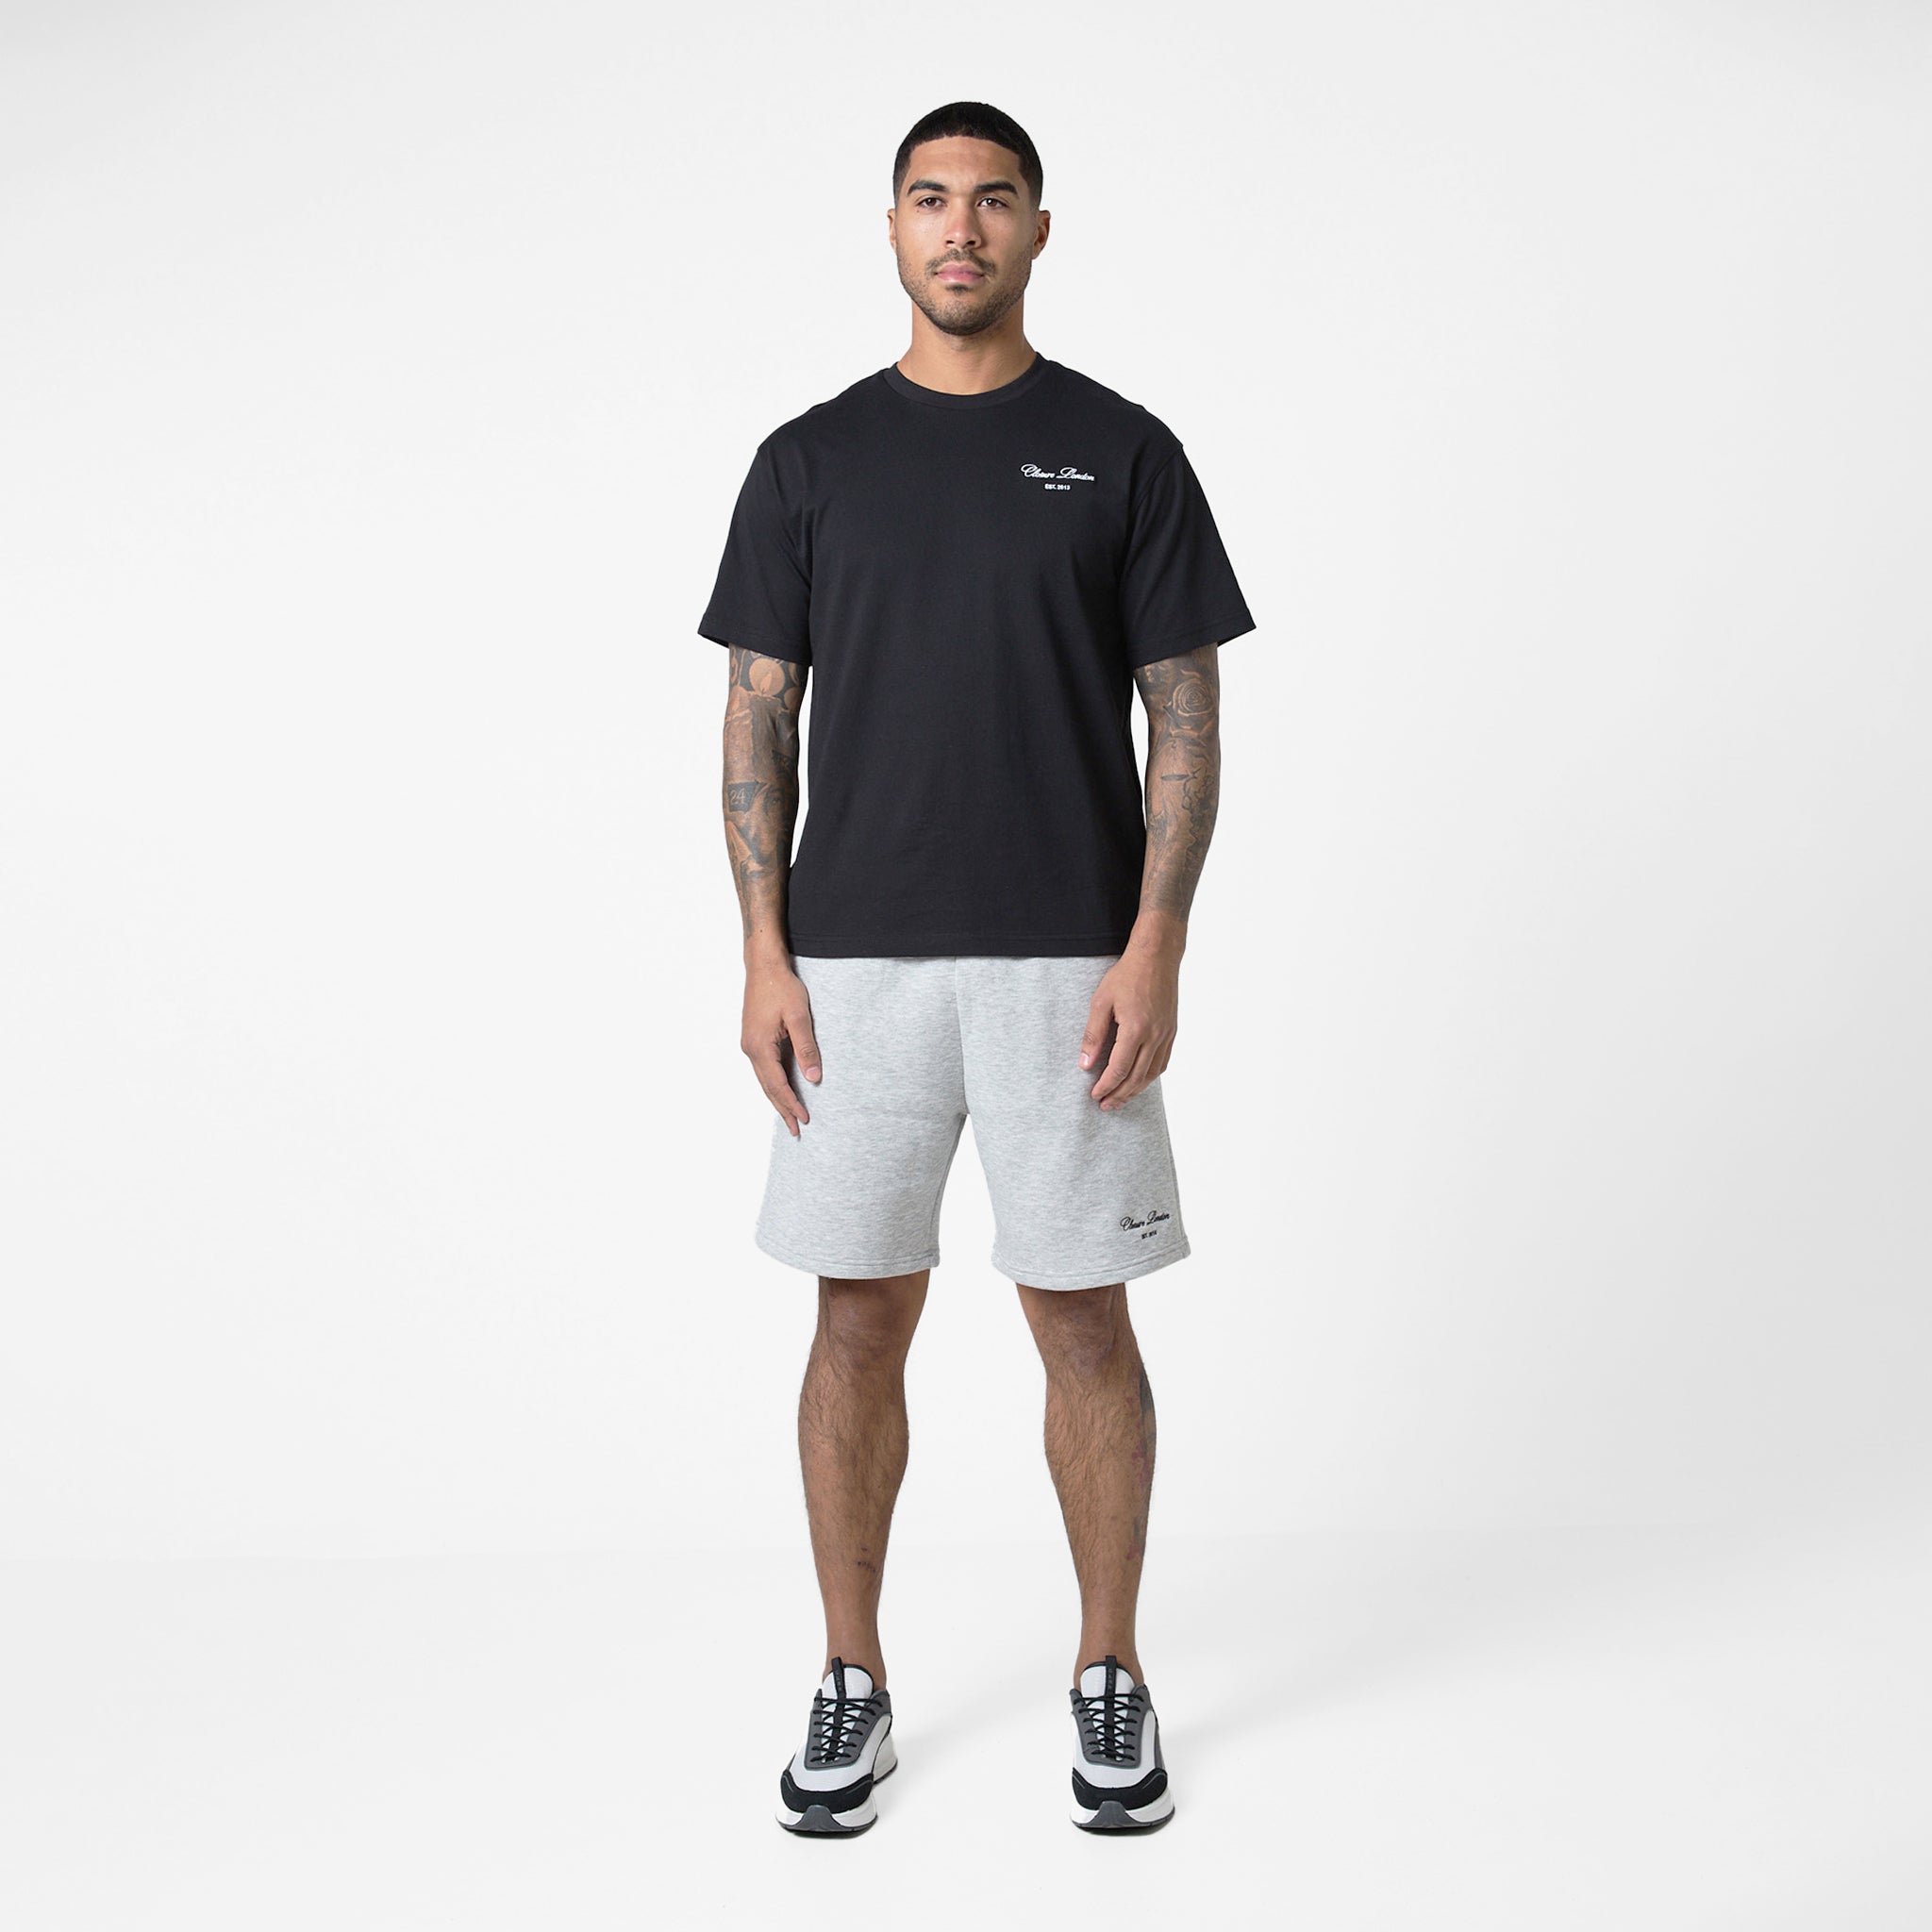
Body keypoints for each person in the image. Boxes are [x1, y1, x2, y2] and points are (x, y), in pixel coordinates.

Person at [697, 100, 1255, 1837]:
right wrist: (763, 951)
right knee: (856, 1316)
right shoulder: (808, 460)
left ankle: (1112, 1670)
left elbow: (1185, 714)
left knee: (1082, 1317)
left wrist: (1157, 940)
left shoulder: (1123, 450)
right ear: (891, 228)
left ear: (1037, 229)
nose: (962, 228)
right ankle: (850, 1677)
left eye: (993, 199)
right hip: (852, 967)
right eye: (931, 199)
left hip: (1069, 961)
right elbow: (756, 717)